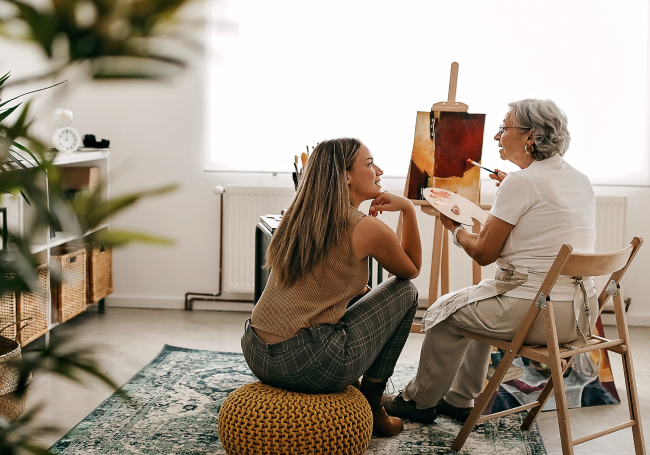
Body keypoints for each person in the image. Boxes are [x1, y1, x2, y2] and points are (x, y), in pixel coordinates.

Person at [384, 99, 598, 424]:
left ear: (530, 136)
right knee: (477, 305)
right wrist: (513, 186)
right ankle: (458, 400)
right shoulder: (579, 179)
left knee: (446, 313)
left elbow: (485, 253)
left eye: (503, 128)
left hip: (539, 315)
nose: (497, 137)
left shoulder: (522, 183)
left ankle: (418, 401)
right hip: (581, 315)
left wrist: (455, 230)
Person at [241, 138, 422, 437]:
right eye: (369, 163)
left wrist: (360, 292)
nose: (379, 170)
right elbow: (410, 270)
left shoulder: (297, 216)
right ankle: (374, 405)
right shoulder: (365, 227)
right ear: (346, 175)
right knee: (405, 292)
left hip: (257, 354)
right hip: (307, 364)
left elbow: (323, 283)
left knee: (363, 293)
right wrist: (408, 210)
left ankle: (365, 392)